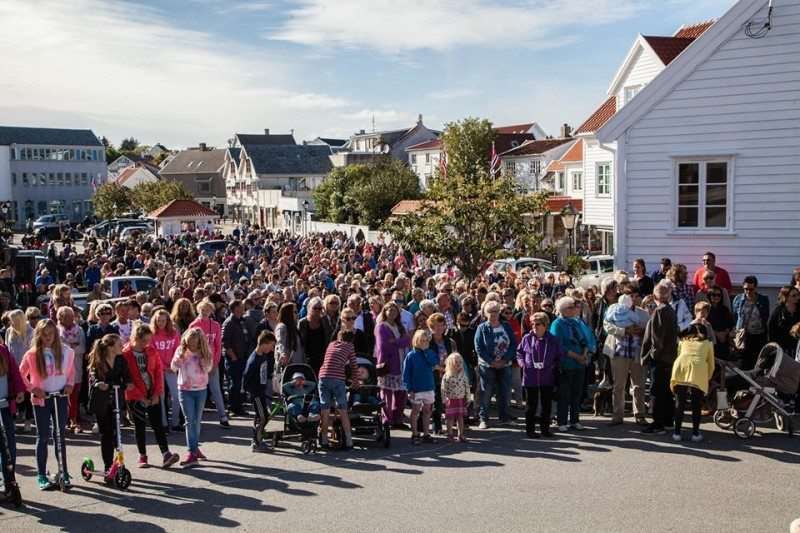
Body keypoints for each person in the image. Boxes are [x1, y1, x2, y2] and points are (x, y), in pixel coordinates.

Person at [18, 319, 76, 490]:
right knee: (42, 436)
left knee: (60, 435)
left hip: (60, 397)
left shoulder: (66, 351)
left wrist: (70, 385)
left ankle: (63, 471)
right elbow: (21, 374)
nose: (48, 337)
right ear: (39, 335)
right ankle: (42, 475)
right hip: (42, 399)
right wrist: (33, 389)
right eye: (44, 334)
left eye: (51, 334)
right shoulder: (32, 354)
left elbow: (71, 372)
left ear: (56, 334)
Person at [122, 324, 179, 469]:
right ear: (135, 338)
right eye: (143, 341)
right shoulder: (125, 354)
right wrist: (140, 397)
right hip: (135, 396)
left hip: (151, 392)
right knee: (140, 426)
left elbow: (158, 372)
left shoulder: (152, 351)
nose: (146, 344)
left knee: (157, 424)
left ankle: (166, 454)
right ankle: (142, 455)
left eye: (148, 340)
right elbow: (127, 379)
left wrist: (157, 393)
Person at [87, 334, 131, 475]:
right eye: (119, 344)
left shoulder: (121, 360)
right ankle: (108, 465)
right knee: (107, 433)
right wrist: (98, 383)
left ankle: (117, 463)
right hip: (102, 401)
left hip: (116, 401)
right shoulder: (99, 361)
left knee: (117, 433)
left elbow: (127, 377)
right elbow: (93, 376)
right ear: (111, 347)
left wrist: (128, 384)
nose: (122, 346)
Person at [603, 292, 649, 426]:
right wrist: (624, 331)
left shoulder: (643, 313)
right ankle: (617, 415)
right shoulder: (614, 309)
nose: (633, 299)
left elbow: (649, 329)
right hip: (619, 351)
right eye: (631, 296)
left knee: (638, 385)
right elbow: (607, 326)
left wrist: (641, 331)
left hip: (636, 351)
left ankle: (640, 414)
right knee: (619, 385)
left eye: (636, 296)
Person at [171, 327, 213, 466]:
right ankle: (192, 451)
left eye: (194, 343)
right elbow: (173, 367)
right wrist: (179, 359)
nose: (191, 345)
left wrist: (203, 360)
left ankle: (195, 449)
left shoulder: (204, 352)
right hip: (185, 389)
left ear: (199, 342)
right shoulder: (181, 350)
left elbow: (208, 368)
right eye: (189, 342)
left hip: (201, 389)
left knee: (197, 420)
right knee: (189, 421)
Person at [641, 282, 679, 434]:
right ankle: (669, 421)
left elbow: (657, 339)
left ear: (655, 295)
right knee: (667, 392)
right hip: (670, 357)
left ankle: (658, 424)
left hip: (661, 359)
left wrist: (652, 356)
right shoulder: (670, 310)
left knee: (657, 391)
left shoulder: (660, 311)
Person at [517, 312, 561, 438]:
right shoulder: (527, 338)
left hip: (547, 376)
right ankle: (530, 430)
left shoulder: (552, 339)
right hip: (530, 376)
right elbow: (519, 353)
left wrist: (552, 365)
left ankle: (545, 429)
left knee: (546, 405)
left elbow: (559, 355)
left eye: (538, 324)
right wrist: (522, 364)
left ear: (545, 325)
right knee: (531, 405)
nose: (534, 327)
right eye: (533, 324)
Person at [550, 297, 591, 432]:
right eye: (571, 307)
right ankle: (562, 421)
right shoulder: (557, 324)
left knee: (576, 393)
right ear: (564, 309)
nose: (574, 309)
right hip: (566, 364)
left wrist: (584, 355)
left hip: (579, 364)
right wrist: (577, 357)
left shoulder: (576, 323)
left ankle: (575, 420)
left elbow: (585, 340)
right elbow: (559, 346)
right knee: (564, 394)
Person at [474, 300, 517, 429]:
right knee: (486, 392)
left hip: (505, 364)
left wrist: (504, 360)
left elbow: (513, 344)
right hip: (487, 366)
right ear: (486, 313)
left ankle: (504, 417)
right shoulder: (481, 328)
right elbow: (479, 347)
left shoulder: (506, 326)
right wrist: (491, 362)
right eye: (490, 312)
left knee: (504, 392)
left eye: (496, 311)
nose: (493, 314)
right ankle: (483, 419)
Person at [670, 324, 715, 442]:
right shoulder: (708, 344)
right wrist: (707, 378)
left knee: (680, 403)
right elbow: (711, 365)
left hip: (680, 368)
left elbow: (679, 355)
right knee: (696, 404)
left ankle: (677, 433)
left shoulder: (683, 342)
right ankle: (695, 434)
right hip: (698, 371)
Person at [318, 330, 359, 450]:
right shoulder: (350, 346)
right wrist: (355, 381)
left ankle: (324, 439)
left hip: (323, 376)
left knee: (325, 409)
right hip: (337, 378)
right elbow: (354, 365)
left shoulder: (331, 344)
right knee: (342, 410)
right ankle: (349, 441)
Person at [190, 299, 228, 426]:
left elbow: (218, 345)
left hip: (211, 362)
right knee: (198, 390)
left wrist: (215, 362)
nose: (205, 312)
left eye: (207, 310)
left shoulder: (216, 325)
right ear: (198, 310)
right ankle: (197, 419)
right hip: (197, 363)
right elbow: (191, 347)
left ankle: (223, 416)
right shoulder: (194, 326)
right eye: (202, 309)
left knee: (216, 389)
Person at [375, 302, 411, 429]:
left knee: (401, 393)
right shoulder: (381, 327)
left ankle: (398, 419)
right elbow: (384, 345)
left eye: (395, 310)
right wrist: (400, 342)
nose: (392, 312)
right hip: (388, 362)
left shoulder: (399, 326)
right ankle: (387, 419)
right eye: (389, 309)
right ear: (384, 311)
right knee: (387, 393)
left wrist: (396, 342)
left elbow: (408, 340)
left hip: (401, 362)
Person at [243, 330, 276, 453]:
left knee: (261, 416)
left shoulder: (262, 356)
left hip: (261, 391)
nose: (272, 349)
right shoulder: (254, 359)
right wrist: (250, 391)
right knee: (263, 417)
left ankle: (257, 439)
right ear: (265, 343)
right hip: (256, 393)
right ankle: (257, 443)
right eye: (272, 346)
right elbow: (246, 376)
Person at [403, 330, 439, 444]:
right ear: (416, 341)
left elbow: (434, 363)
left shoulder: (430, 352)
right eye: (421, 341)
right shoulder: (411, 355)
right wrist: (409, 389)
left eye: (426, 341)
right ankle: (414, 433)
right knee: (415, 411)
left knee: (427, 411)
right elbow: (406, 374)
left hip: (428, 386)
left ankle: (426, 434)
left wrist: (427, 352)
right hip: (416, 388)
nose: (424, 343)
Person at [150, 309, 182, 431]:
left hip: (171, 369)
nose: (161, 323)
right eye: (158, 320)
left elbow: (177, 350)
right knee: (161, 397)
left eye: (163, 320)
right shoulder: (152, 334)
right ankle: (163, 424)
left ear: (168, 321)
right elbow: (152, 353)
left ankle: (175, 422)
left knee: (176, 396)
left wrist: (173, 366)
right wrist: (163, 367)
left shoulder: (174, 333)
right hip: (158, 370)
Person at [0, 341, 25, 492]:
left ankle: (9, 480)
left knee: (8, 446)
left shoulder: (3, 350)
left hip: (5, 405)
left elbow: (15, 372)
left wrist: (19, 390)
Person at [222, 300, 254, 418]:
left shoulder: (243, 321)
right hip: (234, 359)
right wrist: (233, 356)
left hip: (243, 356)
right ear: (235, 309)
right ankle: (232, 407)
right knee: (234, 384)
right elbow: (225, 342)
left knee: (240, 384)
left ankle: (239, 406)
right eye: (241, 307)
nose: (243, 308)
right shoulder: (229, 322)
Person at [56, 307, 86, 433]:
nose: (70, 319)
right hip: (60, 369)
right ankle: (63, 420)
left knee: (74, 395)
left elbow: (82, 348)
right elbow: (58, 349)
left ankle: (73, 420)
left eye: (71, 316)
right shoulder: (56, 330)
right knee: (62, 395)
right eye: (66, 316)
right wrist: (72, 346)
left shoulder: (79, 330)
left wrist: (68, 347)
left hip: (76, 366)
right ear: (60, 318)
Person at [732, 276, 770, 370]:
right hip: (744, 335)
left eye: (751, 289)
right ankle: (743, 382)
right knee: (743, 363)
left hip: (758, 335)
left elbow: (765, 316)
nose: (748, 291)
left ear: (756, 288)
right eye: (746, 289)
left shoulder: (763, 300)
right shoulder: (738, 299)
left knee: (757, 362)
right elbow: (735, 316)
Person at [5, 309, 34, 432]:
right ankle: (14, 419)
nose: (10, 323)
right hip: (13, 368)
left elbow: (32, 350)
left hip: (27, 368)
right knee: (13, 395)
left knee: (27, 395)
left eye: (12, 320)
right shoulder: (9, 331)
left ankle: (28, 420)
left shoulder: (30, 331)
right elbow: (7, 348)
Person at [441, 352, 469, 442]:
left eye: (460, 362)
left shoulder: (463, 376)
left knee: (460, 418)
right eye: (455, 362)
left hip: (460, 399)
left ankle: (461, 434)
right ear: (450, 364)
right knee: (450, 418)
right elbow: (443, 388)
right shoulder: (447, 376)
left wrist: (468, 398)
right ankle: (450, 434)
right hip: (450, 400)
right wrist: (444, 398)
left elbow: (467, 387)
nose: (458, 364)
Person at [768, 286, 800, 355]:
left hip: (797, 347)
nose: (798, 297)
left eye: (798, 295)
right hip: (782, 348)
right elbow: (771, 330)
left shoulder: (799, 309)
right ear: (786, 297)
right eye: (794, 295)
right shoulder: (778, 311)